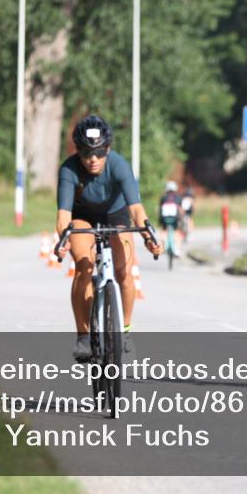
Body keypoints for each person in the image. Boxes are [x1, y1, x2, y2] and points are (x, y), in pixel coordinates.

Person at [55, 115, 162, 361]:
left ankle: (124, 331)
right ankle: (83, 337)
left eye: (99, 152)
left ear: (108, 149)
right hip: (83, 216)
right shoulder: (69, 169)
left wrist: (149, 237)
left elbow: (136, 209)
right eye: (86, 153)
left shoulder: (119, 165)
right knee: (83, 266)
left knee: (124, 271)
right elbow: (63, 216)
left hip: (116, 214)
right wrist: (63, 239)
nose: (93, 159)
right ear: (78, 151)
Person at [158, 181, 183, 250]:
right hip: (175, 218)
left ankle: (162, 246)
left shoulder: (163, 198)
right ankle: (177, 248)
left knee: (163, 231)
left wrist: (159, 219)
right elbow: (181, 210)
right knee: (177, 231)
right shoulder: (178, 198)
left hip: (164, 218)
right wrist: (181, 218)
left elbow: (160, 209)